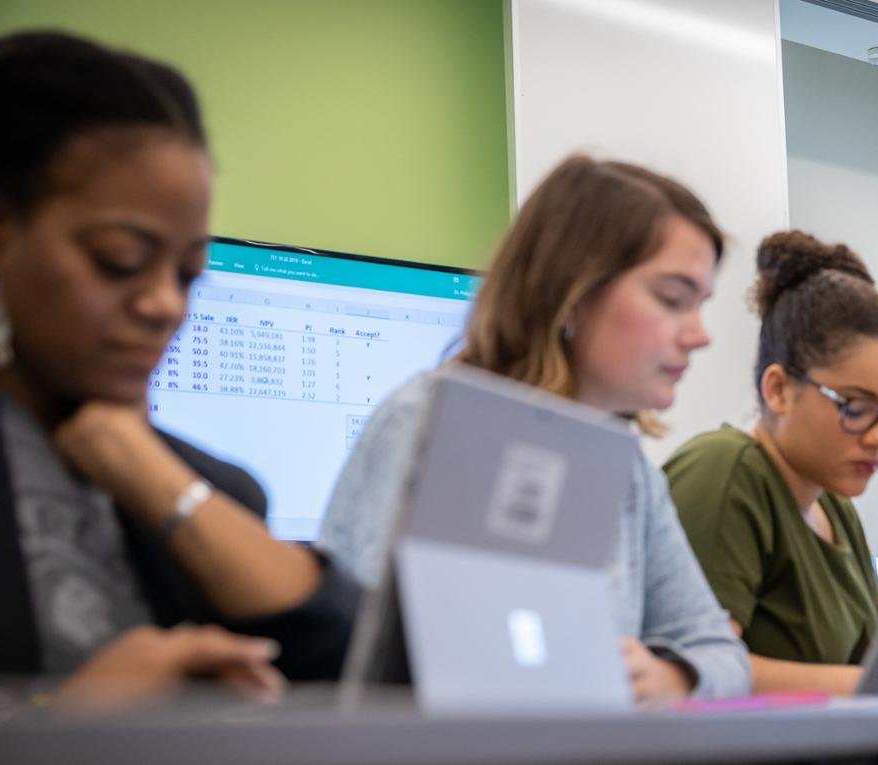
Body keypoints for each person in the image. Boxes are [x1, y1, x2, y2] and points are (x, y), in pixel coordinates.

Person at [0, 32, 358, 709]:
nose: (165, 303)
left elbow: (354, 673)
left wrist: (159, 481)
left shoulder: (205, 486)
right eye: (120, 259)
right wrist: (58, 724)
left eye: (189, 272)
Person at [318, 155, 750, 702]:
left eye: (700, 305)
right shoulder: (421, 422)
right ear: (571, 292)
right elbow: (342, 651)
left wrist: (670, 676)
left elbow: (722, 654)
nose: (699, 335)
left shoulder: (627, 471)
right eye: (672, 299)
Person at [664, 230, 878, 696]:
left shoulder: (835, 504)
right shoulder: (726, 471)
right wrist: (874, 685)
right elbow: (695, 676)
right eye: (855, 408)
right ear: (779, 389)